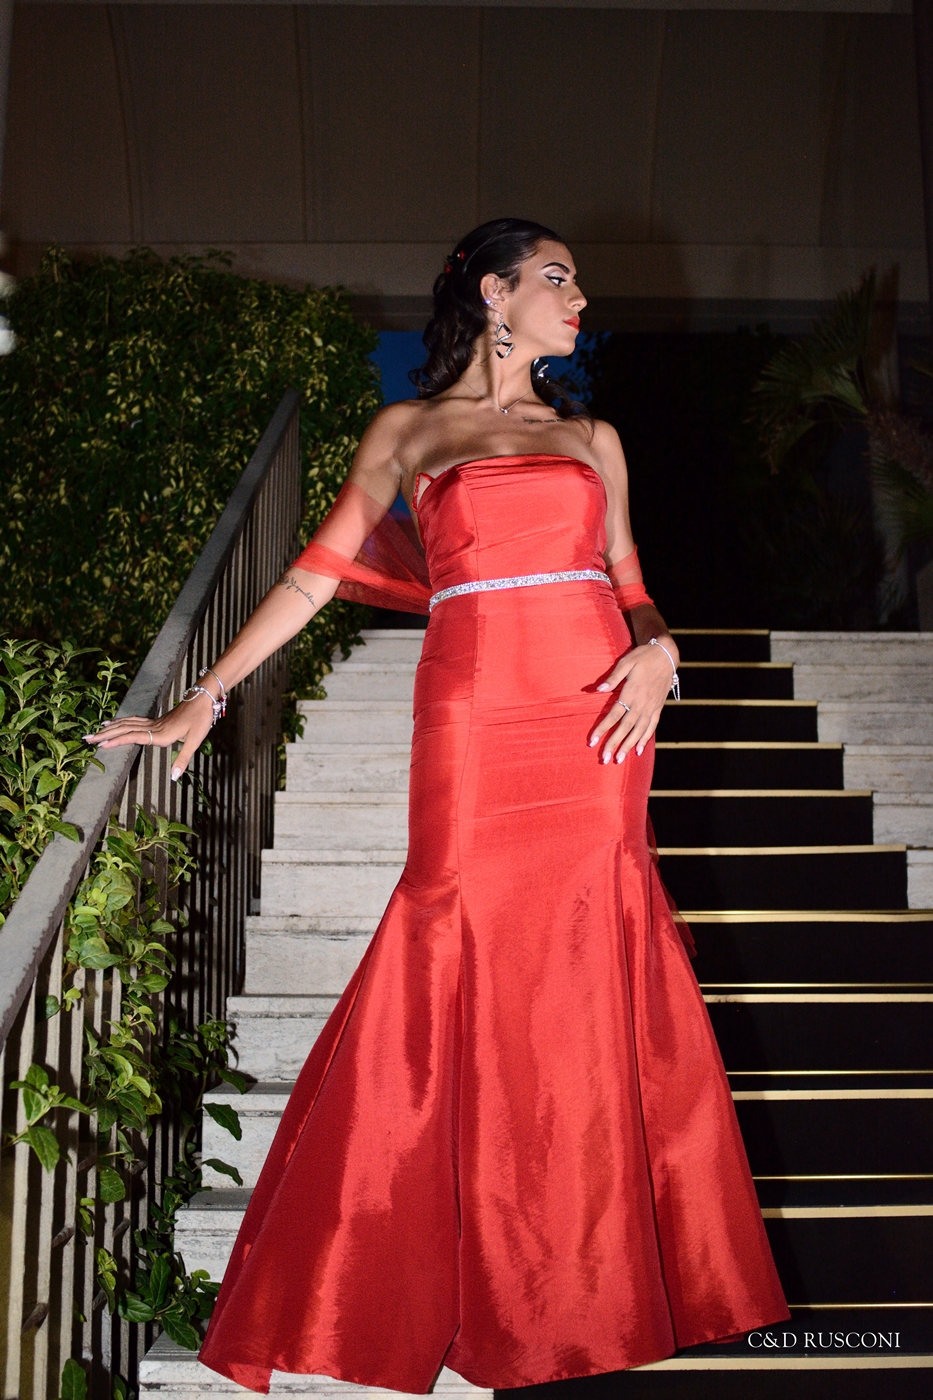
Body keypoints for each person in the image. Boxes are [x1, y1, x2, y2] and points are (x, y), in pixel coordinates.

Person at [87, 219, 788, 1394]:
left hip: (596, 719)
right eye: (558, 277)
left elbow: (631, 583)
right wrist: (204, 696)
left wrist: (661, 652)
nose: (579, 298)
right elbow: (316, 572)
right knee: (449, 934)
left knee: (590, 958)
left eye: (578, 282)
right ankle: (412, 1274)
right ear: (493, 292)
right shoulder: (408, 431)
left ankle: (580, 1280)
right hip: (475, 712)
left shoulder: (594, 438)